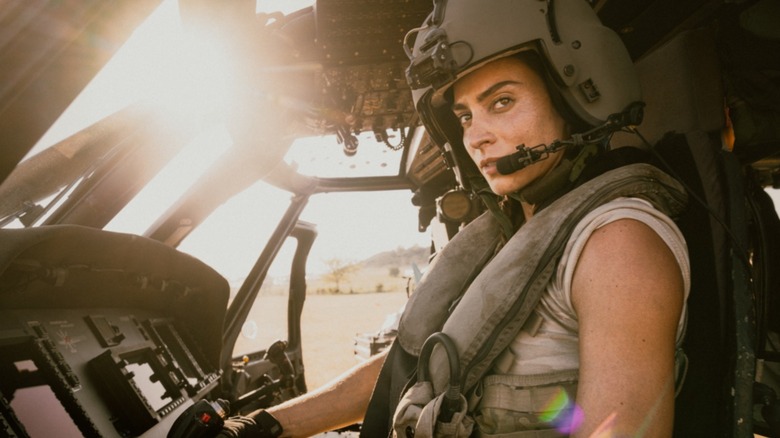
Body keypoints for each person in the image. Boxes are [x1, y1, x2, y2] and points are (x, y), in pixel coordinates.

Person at [219, 0, 690, 436]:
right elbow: (418, 365)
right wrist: (264, 425)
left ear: (571, 99)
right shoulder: (511, 232)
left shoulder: (618, 245)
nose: (477, 136)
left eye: (502, 102)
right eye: (465, 116)